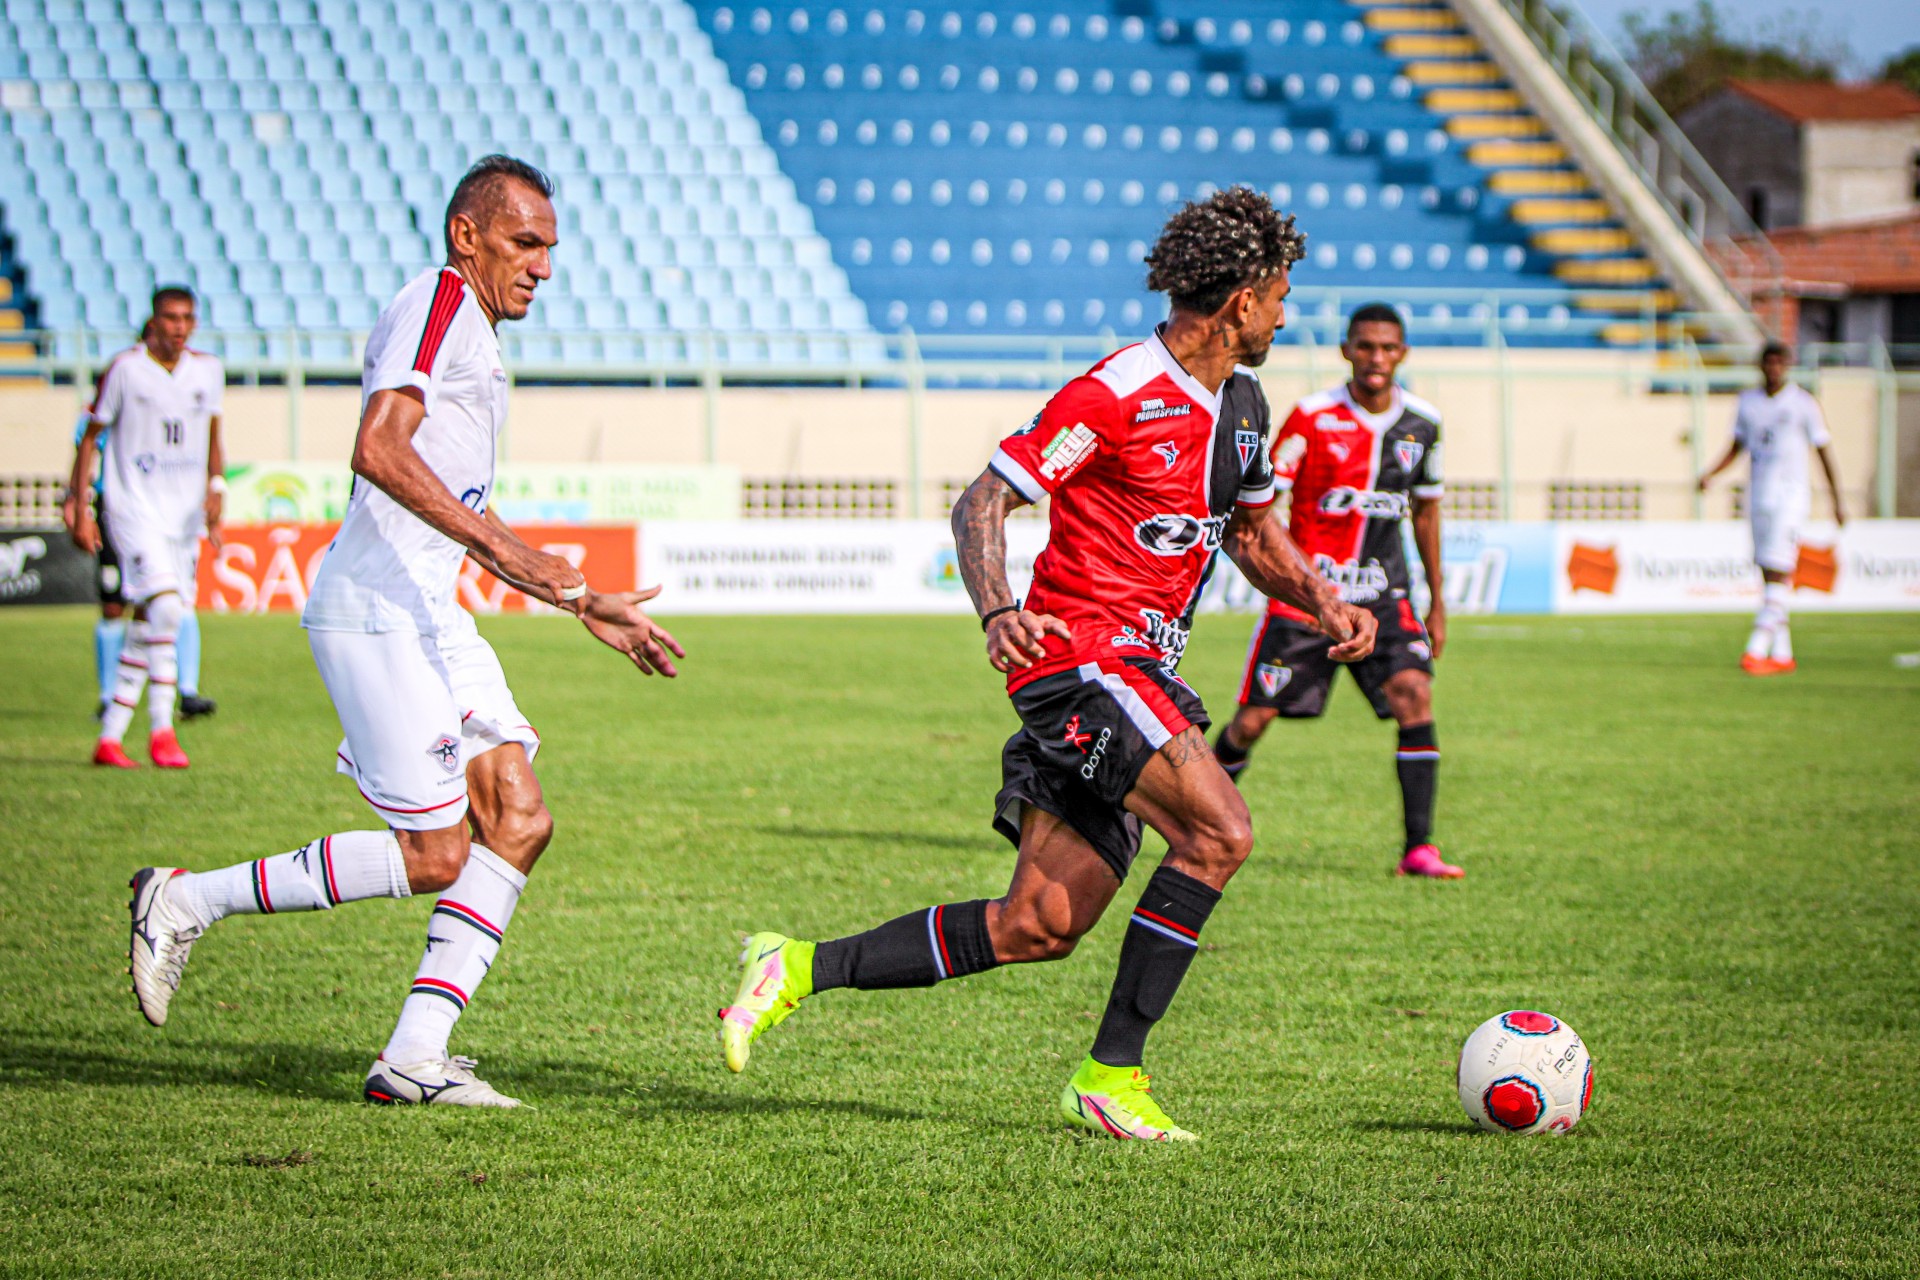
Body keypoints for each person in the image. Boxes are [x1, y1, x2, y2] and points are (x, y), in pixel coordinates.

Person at [717, 188, 1376, 1141]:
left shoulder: (1242, 403)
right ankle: (1112, 1074)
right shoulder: (1114, 394)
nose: (1286, 312)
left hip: (1138, 675)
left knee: (1040, 924)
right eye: (1280, 294)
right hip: (1084, 664)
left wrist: (1324, 602)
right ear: (1240, 301)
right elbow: (983, 502)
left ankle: (795, 966)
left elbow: (1250, 532)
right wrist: (997, 611)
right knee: (1220, 831)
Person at [124, 155, 686, 1108]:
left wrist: (576, 595)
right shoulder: (435, 299)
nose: (544, 265)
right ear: (468, 236)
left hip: (429, 611)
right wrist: (523, 562)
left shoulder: (473, 328)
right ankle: (183, 899)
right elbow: (378, 448)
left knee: (519, 818)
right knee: (436, 854)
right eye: (525, 242)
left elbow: (444, 493)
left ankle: (414, 1057)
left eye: (551, 247)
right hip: (374, 612)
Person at [1211, 304, 1459, 879]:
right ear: (1347, 351)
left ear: (1403, 354)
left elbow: (1425, 513)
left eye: (1387, 347)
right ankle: (1191, 822)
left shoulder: (1424, 425)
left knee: (1414, 695)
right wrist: (1290, 581)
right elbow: (1264, 505)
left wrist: (1437, 601)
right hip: (1309, 602)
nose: (1376, 358)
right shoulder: (1313, 418)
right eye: (1365, 346)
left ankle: (1419, 848)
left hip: (1385, 595)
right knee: (1250, 723)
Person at [68, 290, 226, 769]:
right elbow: (90, 437)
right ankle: (162, 731)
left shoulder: (208, 371)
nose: (179, 327)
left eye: (187, 319)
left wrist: (216, 486)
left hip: (181, 519)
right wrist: (78, 503)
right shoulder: (126, 369)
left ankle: (110, 737)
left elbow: (214, 434)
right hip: (132, 510)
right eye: (170, 318)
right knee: (167, 608)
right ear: (153, 321)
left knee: (147, 623)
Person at [1697, 341, 1846, 675]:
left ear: (1788, 365)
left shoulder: (1803, 403)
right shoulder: (1747, 403)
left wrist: (1837, 499)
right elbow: (1737, 446)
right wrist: (1711, 474)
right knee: (1767, 570)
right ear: (1761, 365)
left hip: (1790, 496)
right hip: (1758, 494)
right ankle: (1782, 654)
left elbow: (1823, 450)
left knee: (1779, 567)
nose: (1774, 368)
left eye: (1780, 362)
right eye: (1769, 362)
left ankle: (1756, 647)